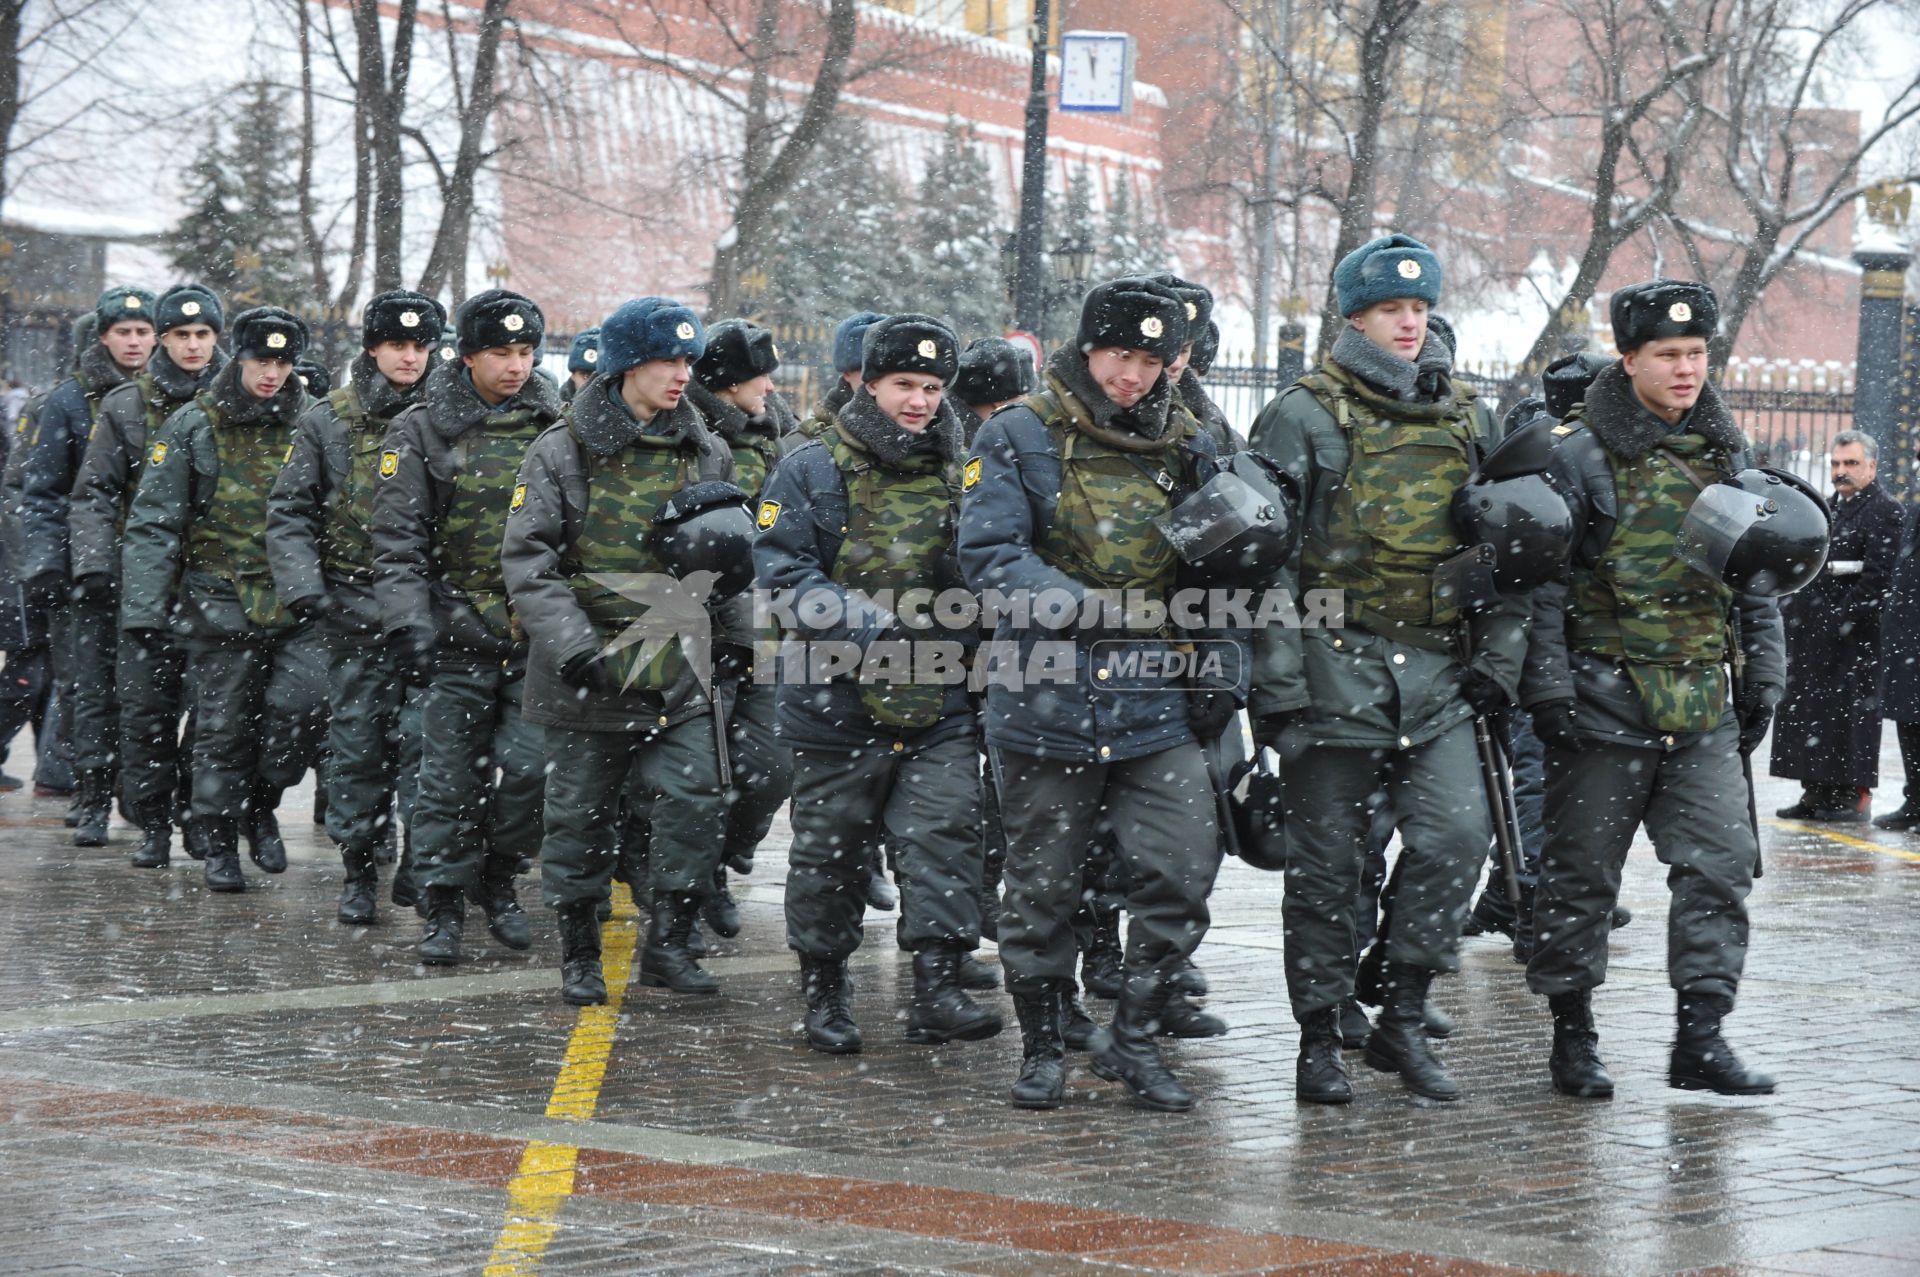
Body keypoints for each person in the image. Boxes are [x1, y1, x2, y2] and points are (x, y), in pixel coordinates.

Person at [1248, 234, 1526, 1106]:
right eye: (1388, 311)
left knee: (1455, 839)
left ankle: (1401, 1010)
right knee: (1329, 870)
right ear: (1356, 318)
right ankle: (1321, 1035)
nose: (1408, 323)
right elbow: (1269, 561)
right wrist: (1281, 688)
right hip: (1335, 668)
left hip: (1439, 675)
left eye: (1417, 308)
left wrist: (1501, 659)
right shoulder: (1303, 414)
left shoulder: (1468, 414)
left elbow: (1512, 545)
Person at [960, 278, 1246, 1112]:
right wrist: (1085, 610)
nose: (1133, 376)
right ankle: (1045, 1041)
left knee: (1182, 868)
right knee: (1044, 885)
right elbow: (989, 557)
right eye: (1121, 355)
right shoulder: (1019, 435)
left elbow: (1224, 565)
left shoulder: (1191, 442)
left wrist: (1223, 665)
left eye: (1152, 360)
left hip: (1156, 705)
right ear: (1087, 351)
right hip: (1045, 698)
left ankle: (1137, 1038)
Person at [1521, 278, 1788, 1098]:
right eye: (1668, 355)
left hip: (1702, 703)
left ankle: (1700, 1036)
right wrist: (1550, 689)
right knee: (1580, 877)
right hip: (1603, 701)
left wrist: (1764, 674)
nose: (1685, 370)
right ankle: (1574, 1035)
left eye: (1697, 354)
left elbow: (1756, 576)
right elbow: (1543, 585)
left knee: (1720, 867)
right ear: (1628, 359)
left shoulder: (1726, 453)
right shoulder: (1577, 455)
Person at [758, 313, 1000, 1055]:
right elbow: (781, 570)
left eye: (933, 386)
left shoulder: (967, 468)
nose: (921, 400)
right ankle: (825, 989)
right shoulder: (811, 464)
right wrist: (864, 625)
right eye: (905, 384)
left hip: (941, 697)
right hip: (836, 698)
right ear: (868, 382)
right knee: (832, 855)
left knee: (943, 840)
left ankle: (937, 987)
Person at [504, 296, 746, 1004]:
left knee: (695, 801)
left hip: (679, 670)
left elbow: (724, 554)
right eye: (667, 360)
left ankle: (670, 942)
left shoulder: (707, 446)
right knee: (578, 816)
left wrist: (738, 638)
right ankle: (579, 948)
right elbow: (530, 562)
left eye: (687, 360)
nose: (681, 374)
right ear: (626, 364)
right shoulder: (560, 449)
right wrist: (578, 649)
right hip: (589, 670)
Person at [374, 288, 561, 964]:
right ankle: (444, 901)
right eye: (502, 352)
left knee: (533, 769)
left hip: (534, 632)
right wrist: (407, 624)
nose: (517, 366)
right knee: (447, 778)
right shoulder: (422, 429)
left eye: (526, 351)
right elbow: (397, 540)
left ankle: (500, 874)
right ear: (470, 356)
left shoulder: (556, 426)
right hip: (454, 635)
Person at [119, 306, 327, 893]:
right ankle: (217, 835)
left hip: (297, 602)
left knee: (300, 711)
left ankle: (262, 803)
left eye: (283, 362)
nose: (271, 373)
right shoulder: (193, 425)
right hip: (218, 598)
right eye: (262, 359)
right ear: (238, 357)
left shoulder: (315, 422)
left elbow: (340, 511)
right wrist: (144, 608)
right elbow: (154, 523)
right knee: (224, 723)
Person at [269, 290, 445, 923]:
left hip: (432, 612)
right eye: (398, 345)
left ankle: (424, 863)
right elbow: (290, 511)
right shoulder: (329, 420)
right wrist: (305, 588)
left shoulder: (450, 414)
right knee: (358, 742)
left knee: (430, 746)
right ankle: (360, 865)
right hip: (353, 607)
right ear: (373, 348)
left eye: (422, 346)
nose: (410, 357)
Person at [74, 283, 228, 867]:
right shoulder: (125, 405)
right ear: (164, 339)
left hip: (215, 581)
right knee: (144, 713)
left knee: (216, 715)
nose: (193, 346)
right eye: (182, 335)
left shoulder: (235, 401)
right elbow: (93, 495)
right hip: (141, 580)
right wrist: (94, 565)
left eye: (203, 335)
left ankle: (199, 813)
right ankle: (153, 821)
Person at [21, 287, 156, 844]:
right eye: (122, 331)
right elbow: (45, 491)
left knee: (149, 690)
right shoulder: (70, 400)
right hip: (87, 568)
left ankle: (137, 789)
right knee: (85, 687)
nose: (133, 341)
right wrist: (48, 564)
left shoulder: (176, 398)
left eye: (142, 330)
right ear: (103, 336)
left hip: (155, 566)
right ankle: (89, 787)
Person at [685, 318, 798, 932]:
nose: (771, 386)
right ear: (728, 383)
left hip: (772, 635)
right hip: (706, 634)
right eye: (760, 374)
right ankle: (701, 878)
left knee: (773, 765)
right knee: (699, 770)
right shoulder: (696, 439)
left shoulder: (784, 439)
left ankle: (732, 845)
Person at [1771, 430, 1902, 823]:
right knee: (1812, 715)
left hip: (1854, 639)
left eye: (1851, 464)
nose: (1841, 472)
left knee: (1848, 719)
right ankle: (1815, 791)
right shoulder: (1827, 508)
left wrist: (1839, 618)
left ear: (1872, 467)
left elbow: (1877, 578)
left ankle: (1851, 796)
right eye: (1836, 464)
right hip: (1813, 632)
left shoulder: (1885, 511)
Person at [796, 311, 886, 442]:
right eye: (869, 372)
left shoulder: (921, 435)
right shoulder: (806, 442)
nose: (880, 381)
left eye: (890, 373)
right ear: (847, 373)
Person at [950, 337, 1031, 431]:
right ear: (1000, 402)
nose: (1027, 400)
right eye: (1023, 396)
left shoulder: (951, 430)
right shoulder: (989, 440)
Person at [561, 327, 599, 404]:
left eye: (599, 376)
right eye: (586, 376)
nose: (592, 383)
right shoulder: (554, 410)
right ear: (573, 375)